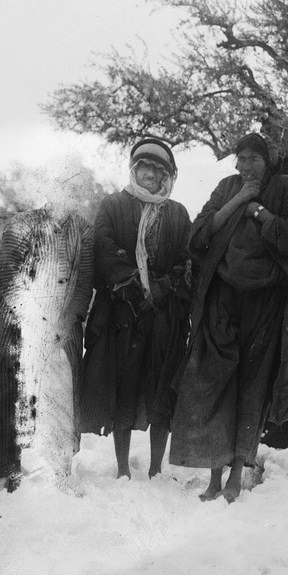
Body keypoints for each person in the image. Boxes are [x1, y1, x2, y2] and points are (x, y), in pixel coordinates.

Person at [169, 133, 288, 502]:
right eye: (240, 159)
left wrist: (260, 212)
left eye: (252, 159)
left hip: (266, 303)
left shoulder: (287, 189)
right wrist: (240, 200)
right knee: (215, 382)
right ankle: (213, 477)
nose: (244, 166)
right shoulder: (228, 187)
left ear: (268, 160)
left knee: (252, 386)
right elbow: (198, 235)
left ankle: (234, 479)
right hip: (222, 298)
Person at [0, 175, 94, 490]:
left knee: (57, 396)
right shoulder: (21, 224)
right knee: (10, 393)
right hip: (16, 323)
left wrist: (63, 323)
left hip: (62, 330)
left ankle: (53, 470)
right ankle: (2, 467)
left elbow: (84, 284)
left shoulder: (85, 233)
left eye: (74, 190)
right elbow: (6, 276)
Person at [79, 137, 191, 479]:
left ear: (168, 178)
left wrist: (162, 287)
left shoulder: (178, 214)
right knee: (124, 386)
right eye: (146, 168)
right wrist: (131, 285)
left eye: (160, 171)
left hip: (165, 314)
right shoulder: (113, 205)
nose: (152, 176)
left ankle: (157, 467)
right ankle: (123, 468)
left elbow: (187, 259)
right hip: (123, 314)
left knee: (162, 385)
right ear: (134, 169)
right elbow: (103, 247)